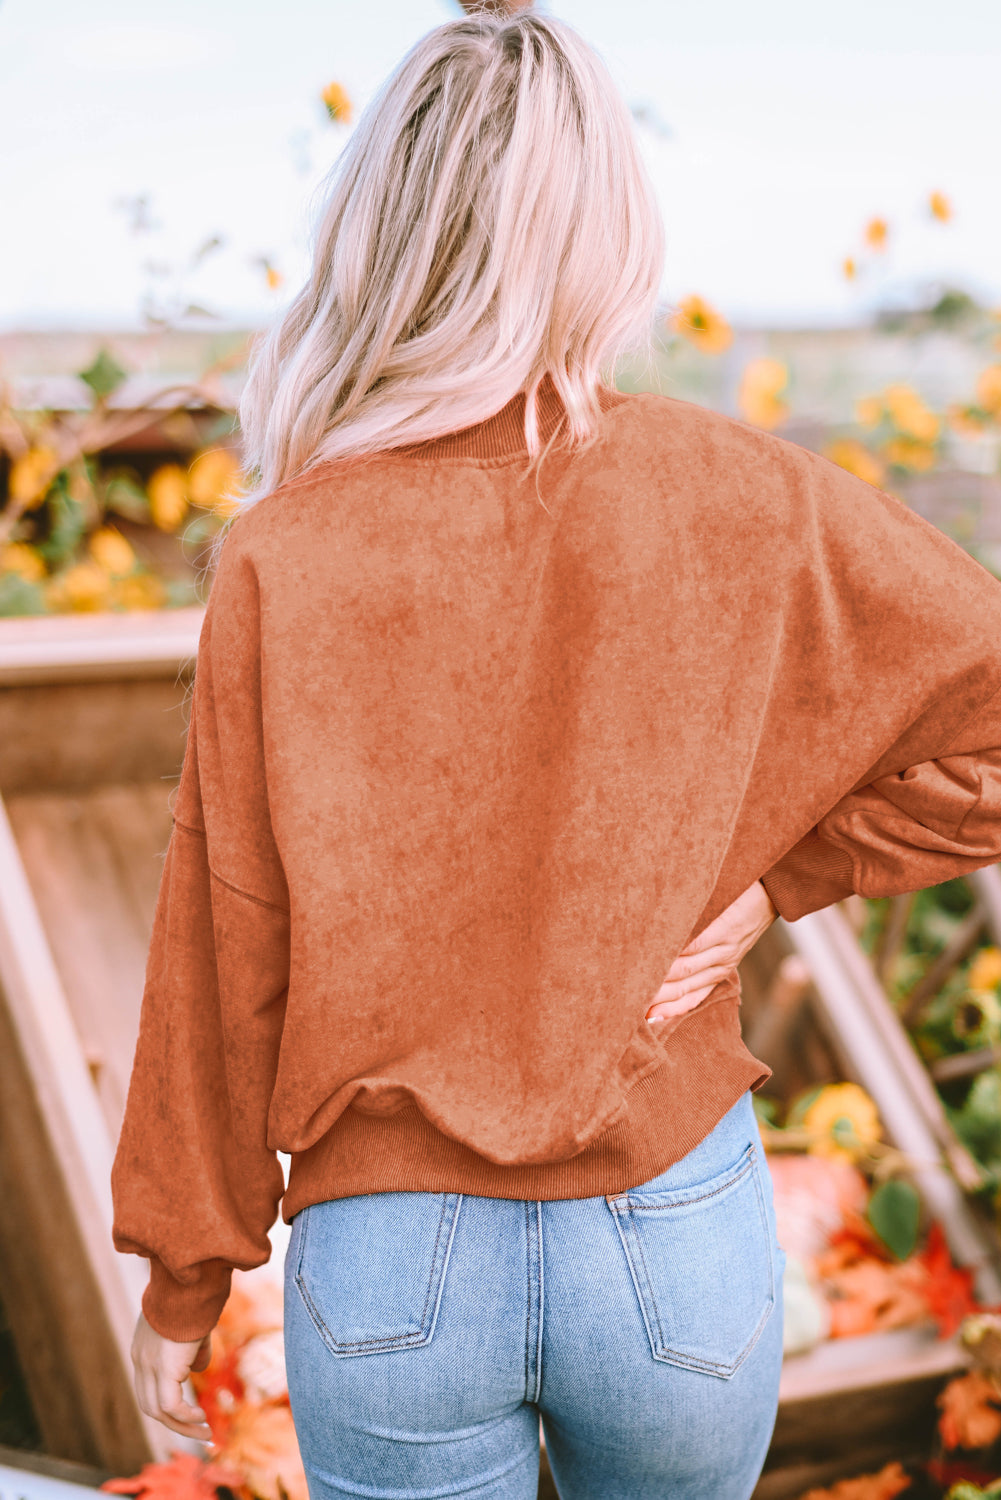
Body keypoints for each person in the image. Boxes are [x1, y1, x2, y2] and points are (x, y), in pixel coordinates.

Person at [111, 8, 1001, 1499]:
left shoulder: (283, 555)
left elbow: (223, 940)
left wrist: (183, 1276)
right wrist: (787, 881)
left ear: (380, 229)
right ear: (610, 233)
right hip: (673, 1240)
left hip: (393, 1266)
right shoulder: (738, 494)